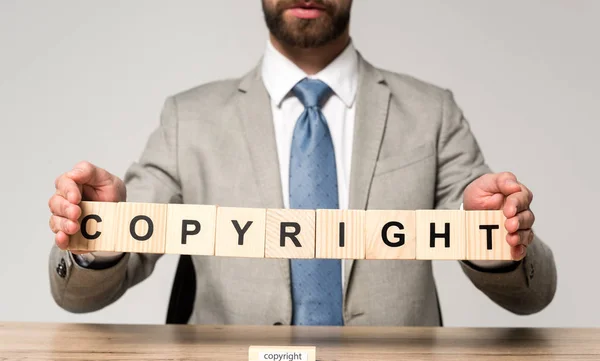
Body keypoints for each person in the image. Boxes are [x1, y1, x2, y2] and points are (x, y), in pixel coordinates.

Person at [47, 0, 556, 326]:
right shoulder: (189, 118)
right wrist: (98, 231)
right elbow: (80, 296)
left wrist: (497, 238)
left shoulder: (432, 111)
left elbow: (531, 293)